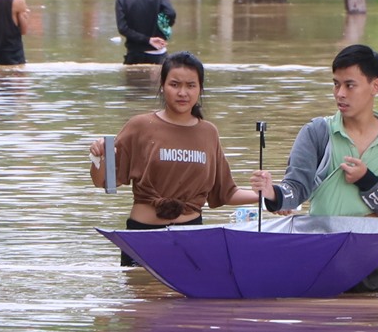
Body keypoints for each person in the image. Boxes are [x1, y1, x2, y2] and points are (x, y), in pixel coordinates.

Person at [252, 44, 378, 292]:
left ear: (376, 86)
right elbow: (296, 187)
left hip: (372, 262)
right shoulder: (317, 133)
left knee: (375, 326)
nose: (340, 93)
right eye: (336, 84)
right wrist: (273, 194)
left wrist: (368, 181)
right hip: (320, 255)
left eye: (349, 85)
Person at [88, 52, 260, 265]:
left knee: (187, 297)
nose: (183, 93)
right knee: (142, 296)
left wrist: (267, 196)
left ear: (200, 89)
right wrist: (99, 158)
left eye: (191, 85)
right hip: (144, 237)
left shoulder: (209, 133)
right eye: (175, 84)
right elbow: (103, 182)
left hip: (193, 237)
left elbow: (227, 192)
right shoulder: (139, 126)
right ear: (162, 85)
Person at [115, 0, 176, 65]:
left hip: (135, 55)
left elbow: (123, 28)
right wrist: (164, 29)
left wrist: (148, 40)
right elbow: (171, 13)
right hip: (158, 52)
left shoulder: (122, 0)